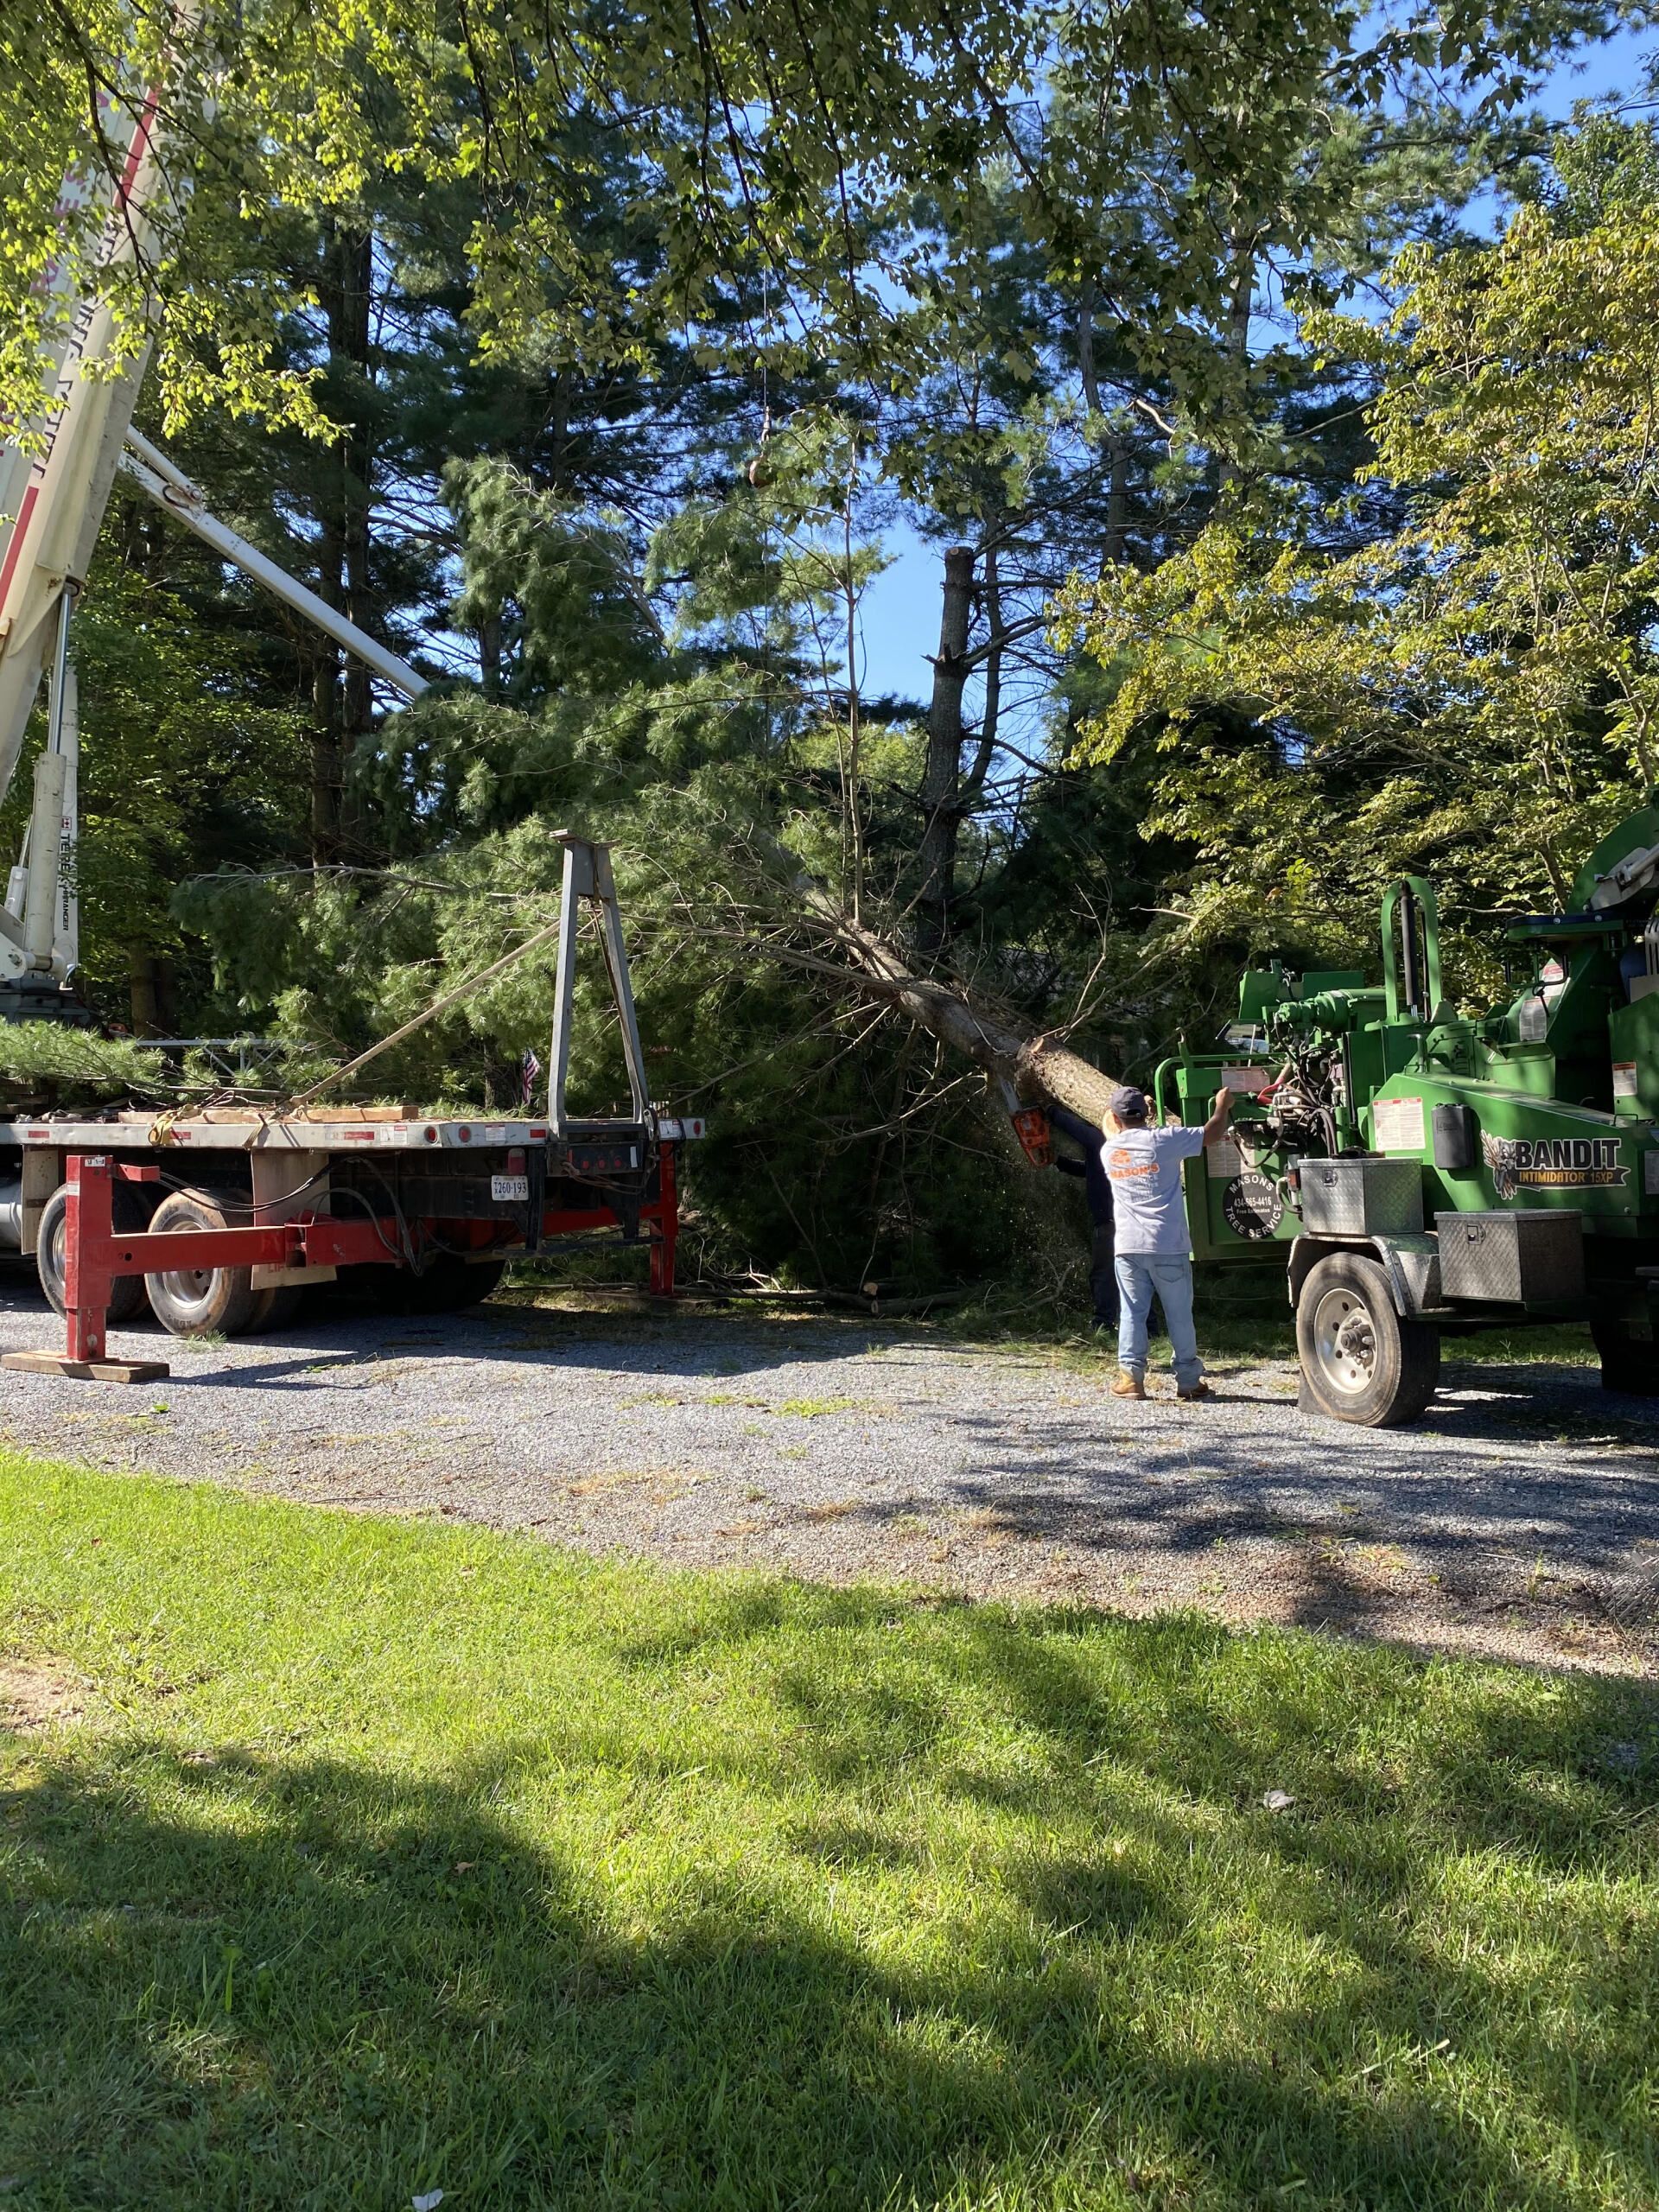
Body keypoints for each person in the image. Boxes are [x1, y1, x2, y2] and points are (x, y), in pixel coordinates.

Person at [1101, 1082, 1234, 1402]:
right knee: (1179, 1314)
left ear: (1117, 1119)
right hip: (1168, 1245)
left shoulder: (1110, 1151)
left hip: (1129, 1248)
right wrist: (1222, 1106)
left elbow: (1116, 1129)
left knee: (1132, 1312)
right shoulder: (1165, 1140)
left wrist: (1140, 1114)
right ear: (1145, 1114)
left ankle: (1131, 1379)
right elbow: (1213, 1133)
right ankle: (1188, 1381)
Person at [1047, 1101, 1118, 1332]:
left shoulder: (1103, 1138)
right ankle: (1147, 1327)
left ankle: (1104, 1323)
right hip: (1116, 1222)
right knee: (1134, 1278)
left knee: (1104, 1276)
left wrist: (1049, 1110)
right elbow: (1091, 1170)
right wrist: (1059, 1161)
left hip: (1111, 1224)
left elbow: (1077, 1131)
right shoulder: (1116, 1144)